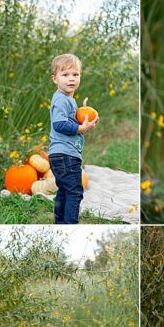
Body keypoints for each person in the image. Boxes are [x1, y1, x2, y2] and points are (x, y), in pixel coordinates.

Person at [48, 54, 99, 224]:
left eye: (75, 75)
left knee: (64, 191)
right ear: (55, 78)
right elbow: (59, 124)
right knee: (75, 192)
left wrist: (87, 125)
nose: (71, 79)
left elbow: (73, 123)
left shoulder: (69, 99)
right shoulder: (61, 100)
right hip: (65, 155)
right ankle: (70, 224)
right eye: (65, 75)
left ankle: (60, 223)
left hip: (64, 155)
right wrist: (80, 128)